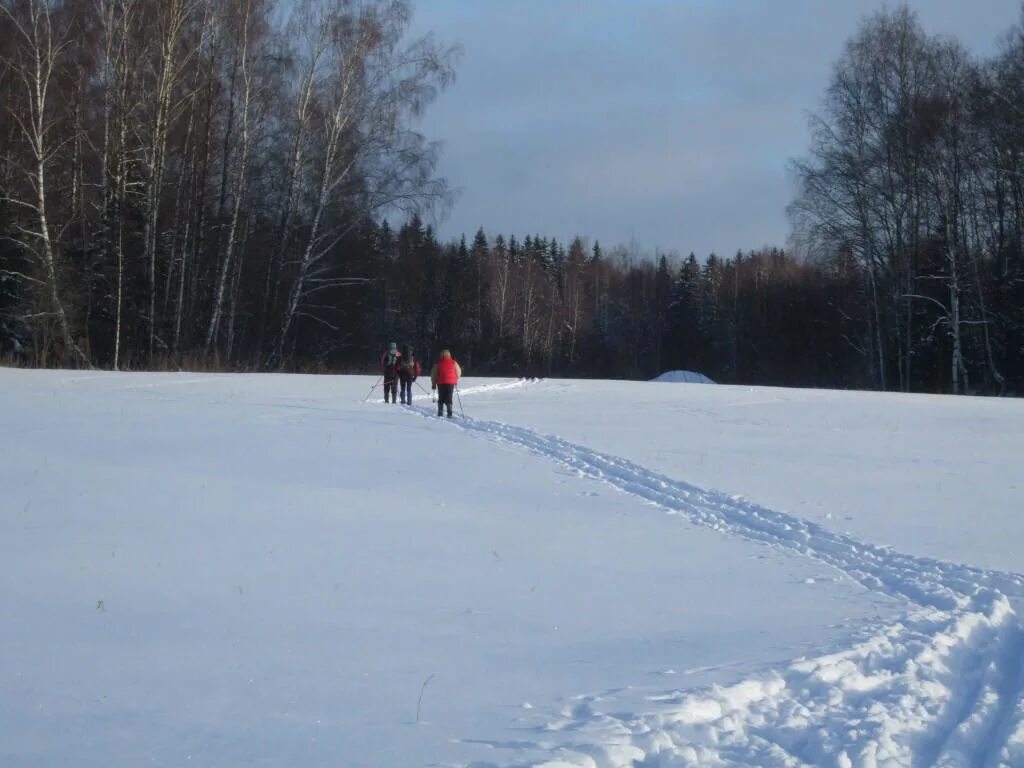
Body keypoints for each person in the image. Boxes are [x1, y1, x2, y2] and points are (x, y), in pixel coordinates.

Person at [429, 349, 461, 418]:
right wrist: (455, 379)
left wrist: (433, 383)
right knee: (449, 396)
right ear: (449, 355)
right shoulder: (454, 362)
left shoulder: (438, 364)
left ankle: (440, 412)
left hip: (440, 382)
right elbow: (459, 371)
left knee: (441, 397)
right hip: (451, 383)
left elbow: (433, 374)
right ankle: (449, 413)